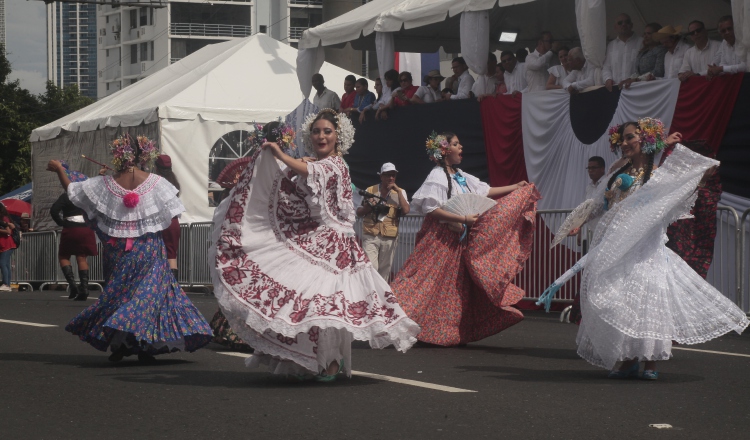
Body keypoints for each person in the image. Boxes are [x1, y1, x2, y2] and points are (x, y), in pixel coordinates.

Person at [210, 109, 419, 380]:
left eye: (327, 131)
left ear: (337, 137)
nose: (321, 136)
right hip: (320, 239)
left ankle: (329, 361)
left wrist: (281, 155)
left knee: (326, 303)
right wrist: (280, 164)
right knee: (309, 300)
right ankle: (317, 359)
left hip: (338, 246)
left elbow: (312, 170)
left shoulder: (335, 164)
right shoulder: (314, 164)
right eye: (317, 131)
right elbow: (299, 182)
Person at [539, 118, 749, 379]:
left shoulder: (658, 175)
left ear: (645, 140)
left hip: (646, 250)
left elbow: (680, 189)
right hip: (618, 247)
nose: (624, 143)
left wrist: (693, 169)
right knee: (619, 301)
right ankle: (628, 360)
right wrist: (580, 221)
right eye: (622, 139)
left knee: (648, 302)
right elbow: (600, 203)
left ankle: (650, 362)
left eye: (630, 138)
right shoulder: (618, 173)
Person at [47, 134, 213, 362]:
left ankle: (124, 342)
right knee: (149, 297)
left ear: (118, 154)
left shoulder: (105, 184)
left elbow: (74, 192)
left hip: (118, 252)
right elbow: (171, 216)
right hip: (150, 249)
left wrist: (59, 170)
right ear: (144, 154)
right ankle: (142, 344)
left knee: (121, 294)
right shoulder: (158, 183)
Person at [389, 132, 540, 346]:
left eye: (459, 143)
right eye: (456, 144)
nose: (461, 147)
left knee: (451, 288)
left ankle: (441, 331)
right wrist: (463, 217)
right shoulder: (438, 175)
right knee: (423, 280)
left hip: (458, 239)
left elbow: (484, 190)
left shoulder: (460, 175)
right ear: (445, 150)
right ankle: (391, 317)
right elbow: (432, 209)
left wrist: (515, 187)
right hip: (439, 238)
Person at [50, 164, 98, 301]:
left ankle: (72, 286)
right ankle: (85, 288)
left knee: (64, 256)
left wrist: (61, 222)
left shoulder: (66, 196)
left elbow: (54, 210)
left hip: (70, 228)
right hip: (86, 228)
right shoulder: (86, 196)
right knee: (82, 257)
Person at [356, 163, 410, 282]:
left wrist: (398, 193)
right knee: (371, 267)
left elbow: (406, 210)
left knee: (385, 269)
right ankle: (371, 295)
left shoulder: (401, 192)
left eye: (393, 175)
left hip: (389, 236)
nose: (391, 178)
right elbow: (359, 212)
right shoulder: (370, 190)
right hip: (371, 234)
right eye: (387, 175)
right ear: (381, 176)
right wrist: (368, 207)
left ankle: (382, 298)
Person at [152, 154, 181, 281]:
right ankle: (173, 285)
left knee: (157, 254)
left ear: (157, 168)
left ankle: (161, 285)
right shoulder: (174, 182)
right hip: (174, 221)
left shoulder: (156, 182)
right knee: (172, 254)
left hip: (160, 222)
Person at [603, 13, 643, 91]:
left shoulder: (641, 42)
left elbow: (646, 68)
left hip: (637, 88)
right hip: (616, 89)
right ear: (615, 27)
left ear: (631, 25)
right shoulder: (611, 45)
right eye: (620, 23)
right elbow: (606, 67)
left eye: (627, 22)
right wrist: (608, 79)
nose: (624, 24)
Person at [622, 23, 666, 87]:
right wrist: (629, 79)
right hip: (641, 87)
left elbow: (658, 72)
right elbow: (638, 72)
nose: (645, 36)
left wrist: (637, 79)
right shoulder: (643, 51)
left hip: (655, 86)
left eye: (649, 34)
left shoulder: (661, 50)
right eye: (644, 34)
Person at [0, 202, 17, 292]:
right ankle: (7, 284)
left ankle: (6, 284)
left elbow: (8, 231)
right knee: (6, 264)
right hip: (4, 244)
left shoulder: (4, 218)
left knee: (2, 263)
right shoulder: (4, 218)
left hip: (7, 244)